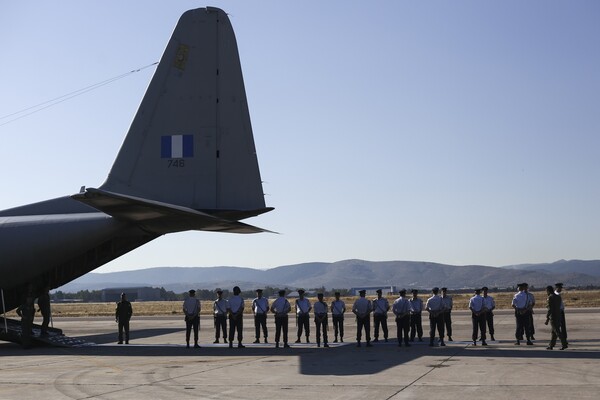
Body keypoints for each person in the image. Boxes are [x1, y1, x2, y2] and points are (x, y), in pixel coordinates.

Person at [545, 285, 568, 350]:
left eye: (547, 291)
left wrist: (547, 318)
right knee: (554, 332)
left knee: (557, 331)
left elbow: (550, 309)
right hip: (559, 315)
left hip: (553, 316)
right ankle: (551, 345)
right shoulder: (558, 297)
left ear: (548, 291)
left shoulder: (550, 297)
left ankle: (564, 343)